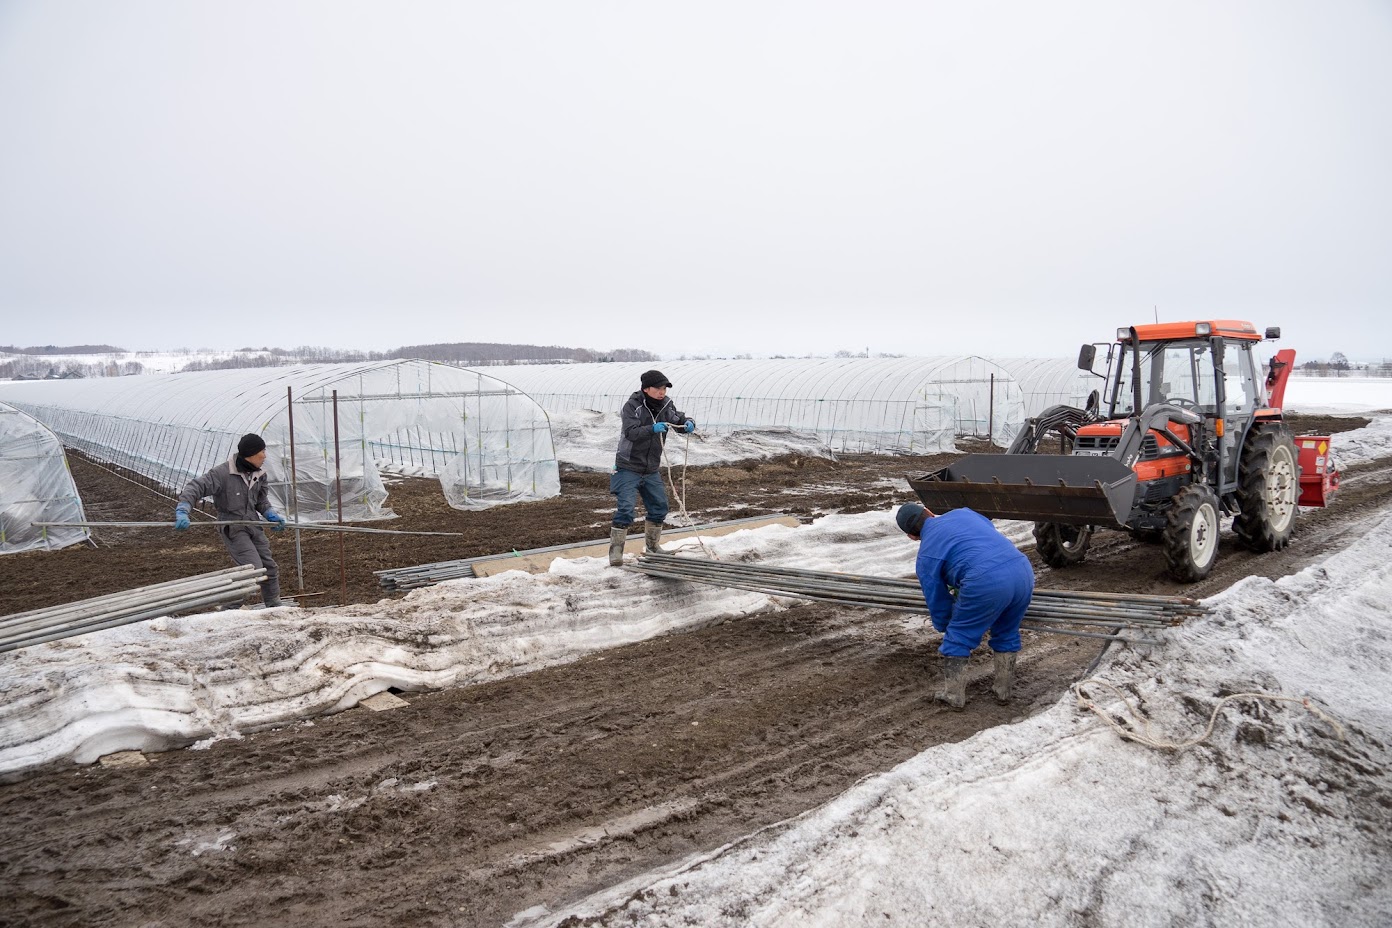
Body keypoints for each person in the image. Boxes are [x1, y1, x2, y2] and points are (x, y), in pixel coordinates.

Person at [896, 502, 1035, 709]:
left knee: (958, 638)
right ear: (930, 512)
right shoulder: (964, 513)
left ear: (912, 536)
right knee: (1007, 631)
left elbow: (937, 598)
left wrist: (947, 625)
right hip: (1022, 570)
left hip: (985, 581)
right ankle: (1003, 691)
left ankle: (953, 696)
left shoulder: (926, 555)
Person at [175, 433, 288, 607]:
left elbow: (260, 500)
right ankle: (230, 610)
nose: (265, 455)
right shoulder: (222, 473)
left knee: (269, 567)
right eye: (262, 451)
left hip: (253, 524)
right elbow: (195, 487)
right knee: (252, 570)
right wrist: (183, 509)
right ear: (251, 453)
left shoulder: (259, 474)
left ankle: (273, 605)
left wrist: (270, 514)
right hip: (233, 527)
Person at [609, 370, 696, 566]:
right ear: (646, 388)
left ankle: (653, 547)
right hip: (628, 466)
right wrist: (652, 429)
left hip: (650, 468)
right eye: (658, 388)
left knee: (659, 507)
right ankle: (616, 552)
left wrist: (688, 422)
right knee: (626, 509)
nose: (662, 392)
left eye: (664, 388)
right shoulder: (633, 407)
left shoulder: (666, 405)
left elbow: (677, 418)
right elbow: (631, 432)